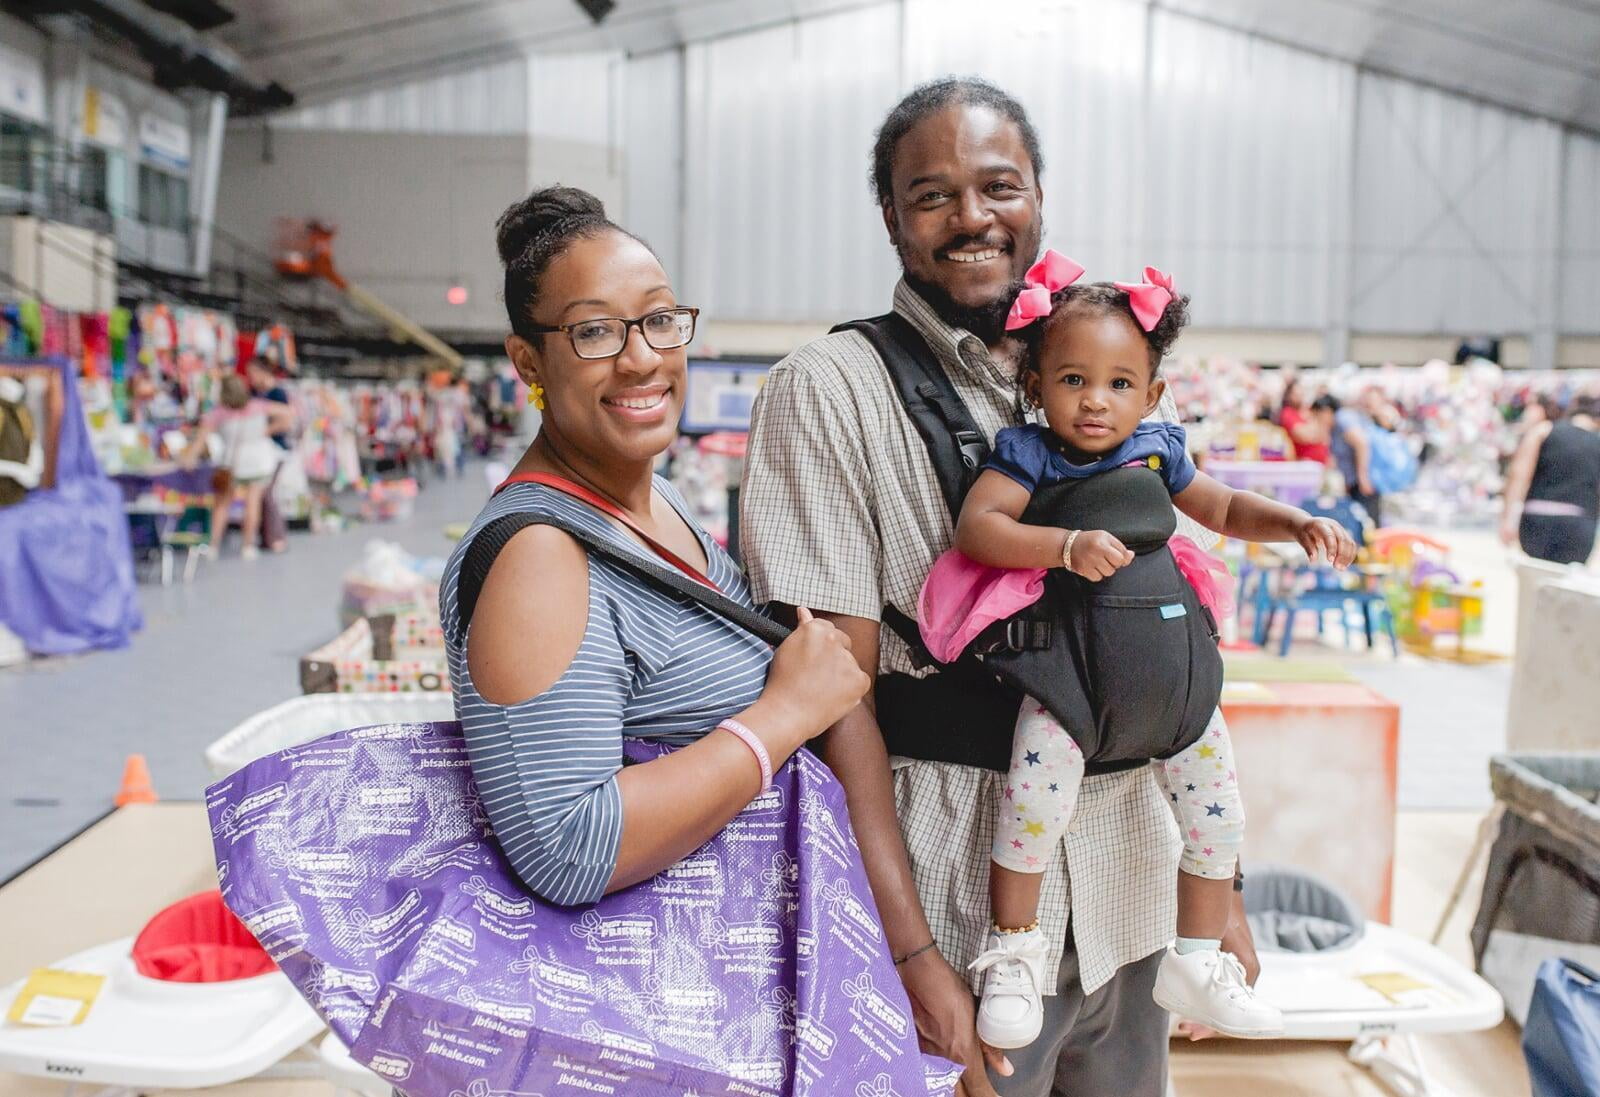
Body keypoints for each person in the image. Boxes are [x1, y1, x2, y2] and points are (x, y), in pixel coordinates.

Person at [740, 77, 1267, 1097]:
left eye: (998, 185)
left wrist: (1216, 890)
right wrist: (907, 951)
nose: (972, 217)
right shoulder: (827, 389)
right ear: (890, 215)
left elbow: (1159, 640)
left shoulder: (1095, 368)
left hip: (1131, 884)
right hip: (962, 896)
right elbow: (832, 698)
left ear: (1037, 195)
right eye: (931, 194)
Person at [436, 187, 950, 1091]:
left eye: (660, 321)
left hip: (721, 1006)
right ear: (529, 360)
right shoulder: (540, 556)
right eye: (595, 332)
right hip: (641, 1027)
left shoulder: (657, 503)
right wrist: (782, 716)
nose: (642, 360)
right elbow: (567, 845)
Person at [931, 262, 1354, 1048]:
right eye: (1073, 379)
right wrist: (1063, 545)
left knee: (1218, 816)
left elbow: (1222, 505)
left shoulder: (1159, 450)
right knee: (1032, 808)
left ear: (1153, 394)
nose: (1097, 400)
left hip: (1170, 672)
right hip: (1072, 677)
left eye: (1121, 383)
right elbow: (978, 527)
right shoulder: (1030, 453)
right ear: (1035, 383)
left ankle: (1194, 958)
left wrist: (1294, 522)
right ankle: (1016, 950)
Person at [181, 373, 293, 559]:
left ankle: (213, 546)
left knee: (222, 503)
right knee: (252, 503)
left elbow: (200, 442)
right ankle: (248, 546)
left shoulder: (217, 414)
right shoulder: (257, 406)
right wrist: (267, 431)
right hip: (257, 461)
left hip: (231, 463)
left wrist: (188, 459)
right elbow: (287, 413)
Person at [1500, 402, 1600, 565]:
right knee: (1565, 584)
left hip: (1537, 519)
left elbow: (1519, 475)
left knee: (1535, 580)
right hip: (1578, 525)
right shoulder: (1597, 441)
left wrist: (1509, 519)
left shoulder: (1544, 430)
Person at [1314, 393, 1382, 525]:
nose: (1318, 421)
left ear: (1326, 411)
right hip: (1355, 481)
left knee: (1368, 520)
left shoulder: (1342, 419)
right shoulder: (1336, 425)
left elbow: (1362, 444)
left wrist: (1363, 477)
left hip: (1364, 481)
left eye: (1318, 416)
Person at [246, 357, 291, 553]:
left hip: (275, 450)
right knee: (262, 494)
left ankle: (276, 537)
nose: (250, 377)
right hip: (258, 451)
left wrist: (262, 432)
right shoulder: (254, 393)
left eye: (253, 373)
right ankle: (266, 537)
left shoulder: (278, 393)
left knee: (267, 492)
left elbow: (286, 421)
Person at [1278, 376, 1329, 465]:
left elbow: (1324, 434)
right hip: (1304, 464)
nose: (1300, 396)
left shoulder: (1310, 410)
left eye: (1301, 392)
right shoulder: (1287, 413)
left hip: (1321, 464)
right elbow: (1303, 436)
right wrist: (1315, 426)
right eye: (1296, 394)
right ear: (1289, 395)